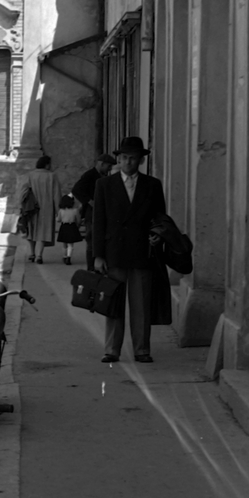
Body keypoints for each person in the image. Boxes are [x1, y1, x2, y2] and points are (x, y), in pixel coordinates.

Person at [91, 136, 169, 363]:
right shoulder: (104, 185)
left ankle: (142, 349)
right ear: (119, 159)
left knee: (141, 304)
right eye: (124, 158)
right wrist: (98, 255)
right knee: (114, 303)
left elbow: (160, 218)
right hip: (114, 252)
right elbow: (98, 222)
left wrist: (157, 236)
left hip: (142, 252)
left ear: (141, 161)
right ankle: (111, 350)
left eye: (133, 159)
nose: (128, 162)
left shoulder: (152, 185)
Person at [71, 154, 115, 266]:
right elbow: (76, 189)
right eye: (108, 166)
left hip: (100, 212)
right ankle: (91, 267)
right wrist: (90, 201)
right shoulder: (90, 175)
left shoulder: (101, 176)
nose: (110, 169)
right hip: (91, 213)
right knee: (91, 240)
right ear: (101, 164)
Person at [19, 155, 62, 264]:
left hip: (31, 208)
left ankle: (32, 253)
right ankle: (39, 256)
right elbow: (57, 196)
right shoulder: (52, 176)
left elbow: (23, 192)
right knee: (42, 233)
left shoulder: (30, 175)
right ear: (47, 164)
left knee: (31, 231)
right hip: (47, 209)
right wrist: (58, 211)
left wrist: (22, 206)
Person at [54, 192, 81, 265]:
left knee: (64, 244)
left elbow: (58, 219)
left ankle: (64, 256)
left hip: (64, 226)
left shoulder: (61, 211)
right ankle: (69, 257)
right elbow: (78, 220)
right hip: (72, 226)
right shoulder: (75, 210)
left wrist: (57, 217)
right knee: (70, 244)